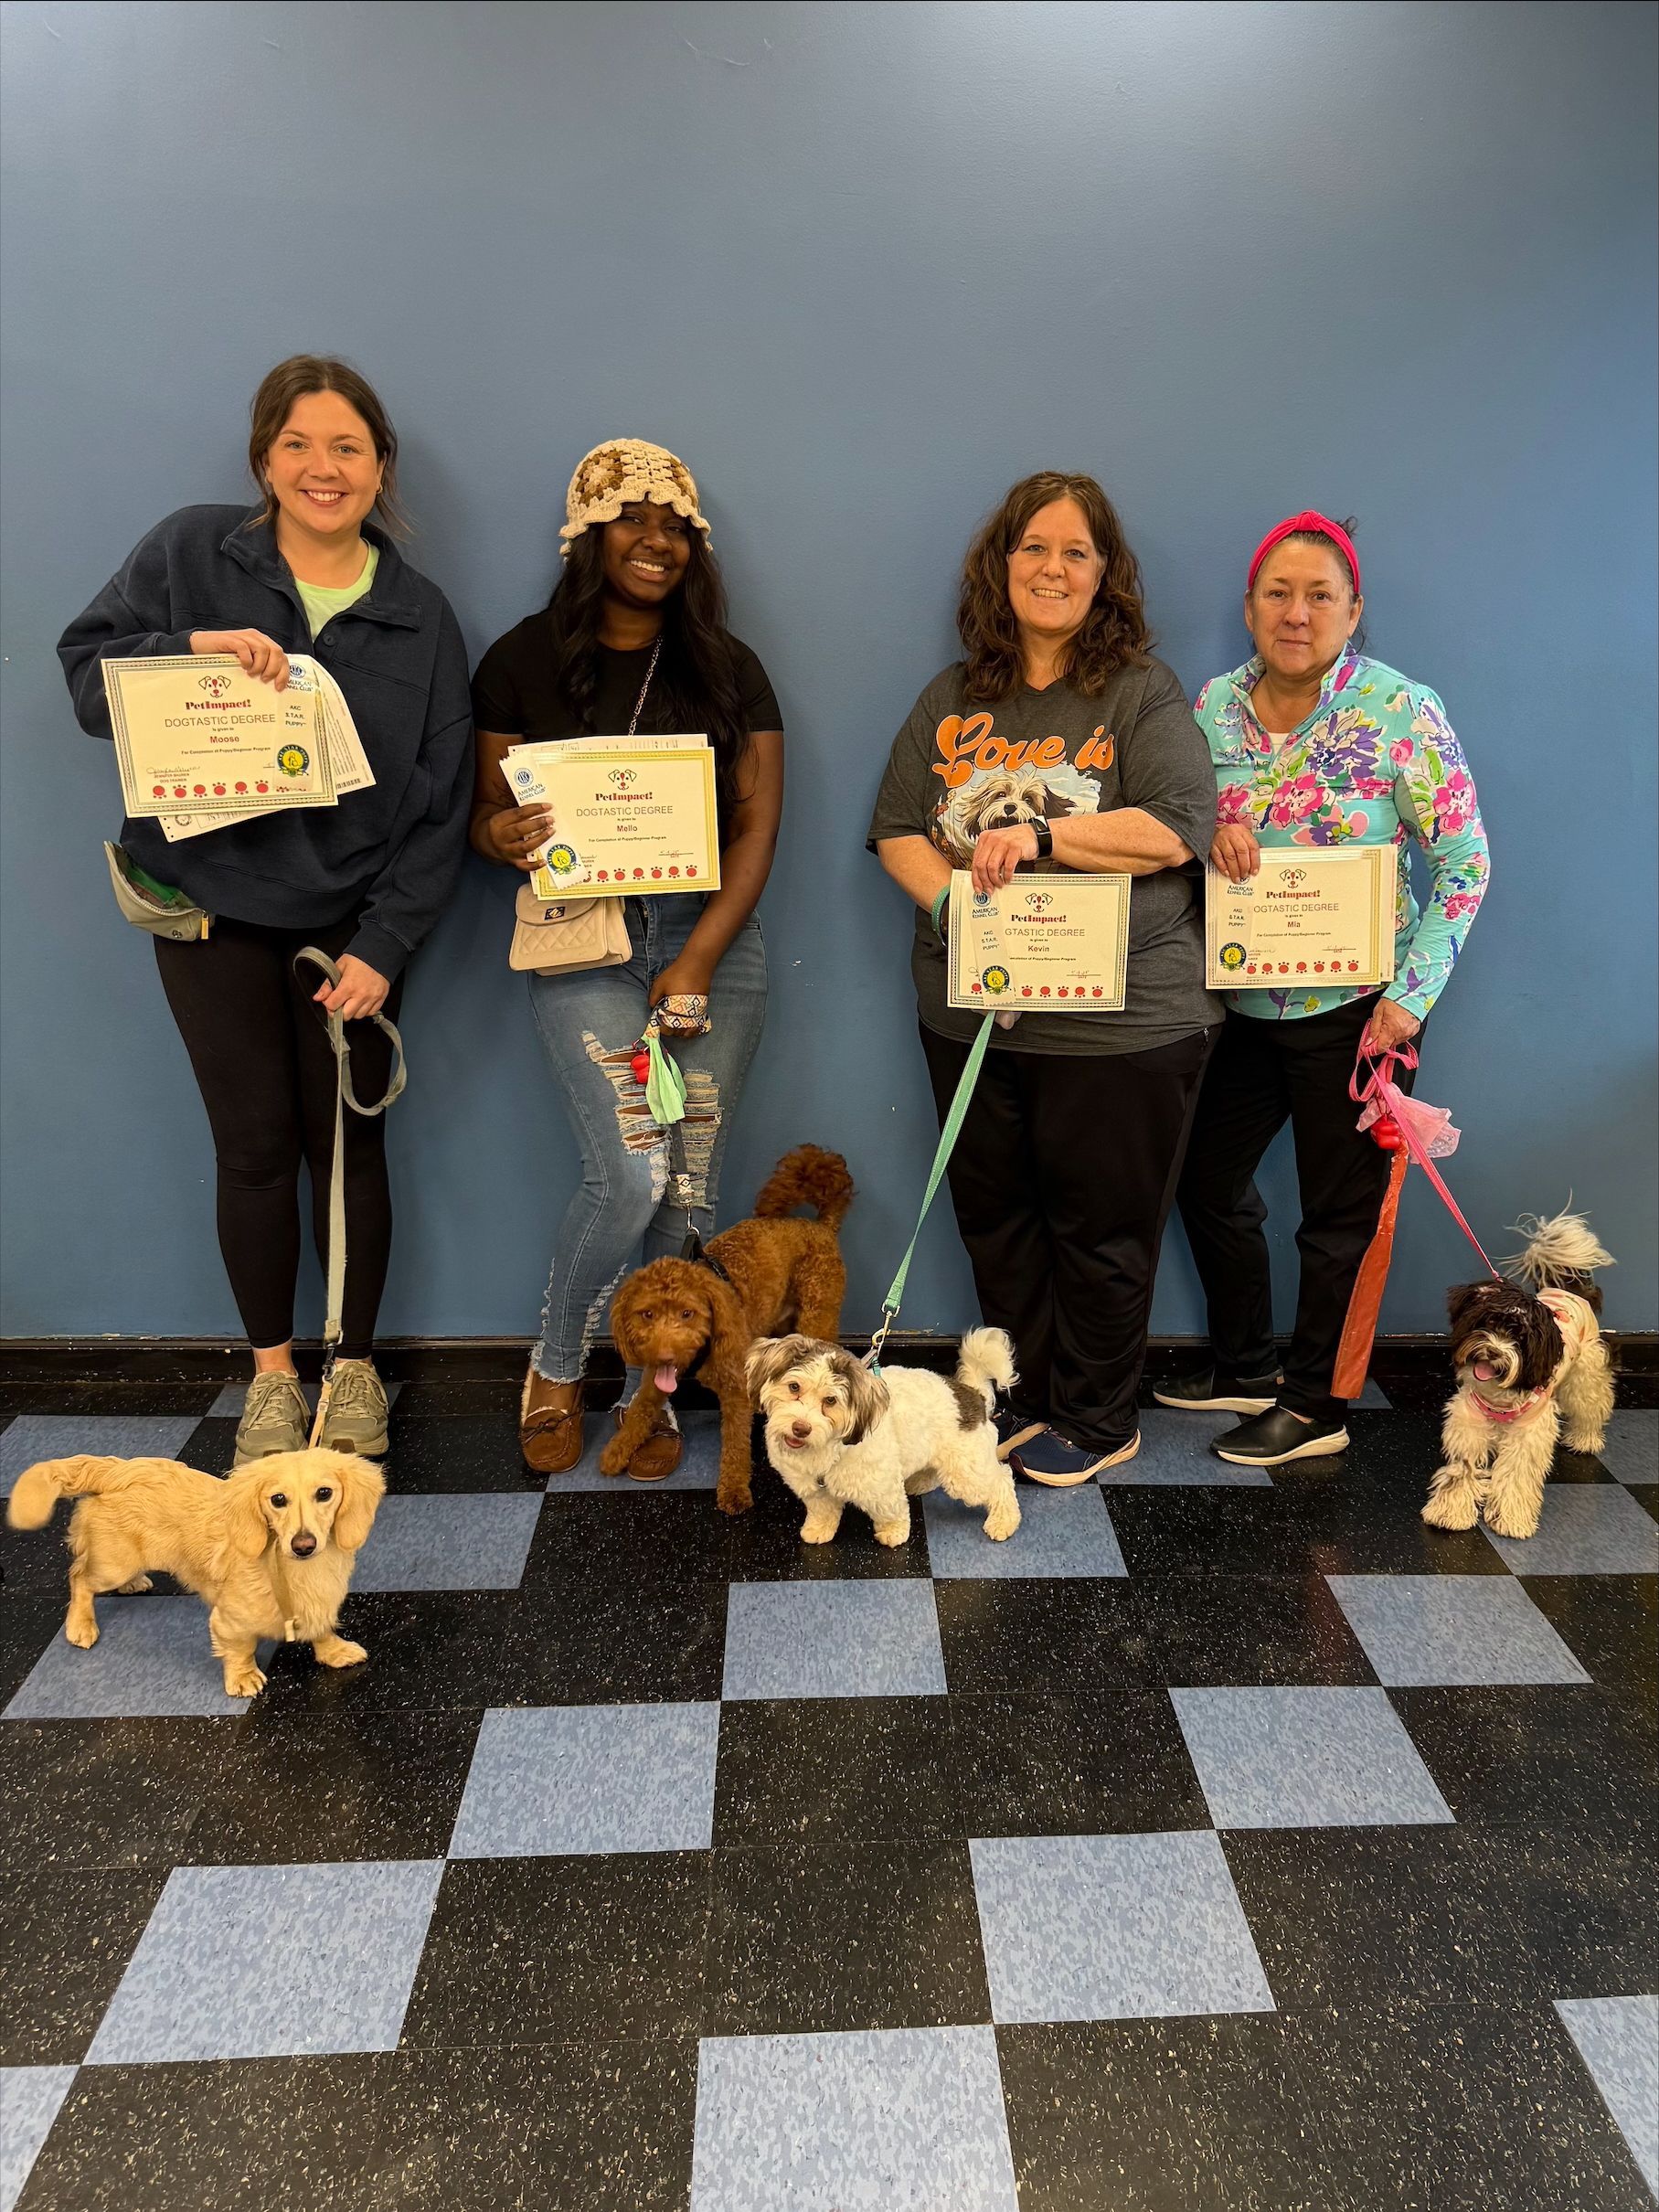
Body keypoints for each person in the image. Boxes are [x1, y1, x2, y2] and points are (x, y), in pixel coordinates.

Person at [58, 356, 473, 1464]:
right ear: (263, 459)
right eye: (299, 445)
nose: (322, 468)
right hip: (210, 916)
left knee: (350, 1150)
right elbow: (86, 678)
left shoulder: (419, 616)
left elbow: (443, 803)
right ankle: (274, 1378)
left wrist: (383, 945)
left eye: (347, 447)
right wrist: (181, 649)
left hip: (351, 928)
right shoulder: (194, 552)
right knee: (250, 1149)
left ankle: (353, 1370)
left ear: (380, 467)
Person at [869, 471, 1219, 1483]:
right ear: (1001, 564)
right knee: (998, 1219)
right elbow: (898, 829)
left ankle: (1102, 1417)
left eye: (1076, 550)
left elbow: (1173, 827)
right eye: (1034, 547)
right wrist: (961, 916)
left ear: (1105, 573)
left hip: (1122, 1026)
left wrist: (1041, 835)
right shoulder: (952, 695)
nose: (1052, 568)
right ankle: (1031, 1396)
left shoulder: (1137, 691)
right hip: (974, 1013)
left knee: (1102, 1228)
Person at [472, 440, 783, 1478]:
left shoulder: (728, 667)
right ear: (587, 533)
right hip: (584, 938)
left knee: (690, 1188)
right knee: (630, 1175)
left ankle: (645, 1405)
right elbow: (486, 817)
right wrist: (498, 837)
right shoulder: (519, 659)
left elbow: (756, 829)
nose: (658, 542)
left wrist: (694, 956)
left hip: (713, 942)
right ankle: (557, 1367)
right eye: (633, 520)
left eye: (677, 527)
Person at [1160, 511, 1490, 1464]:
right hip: (1241, 1003)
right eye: (1278, 593)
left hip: (1361, 1013)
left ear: (1354, 612)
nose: (1296, 613)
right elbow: (1176, 834)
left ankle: (1317, 1406)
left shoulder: (1402, 710)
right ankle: (1244, 1364)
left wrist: (1410, 1000)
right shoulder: (1212, 708)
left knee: (1338, 1218)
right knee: (1204, 1175)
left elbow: (1464, 862)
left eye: (1319, 596)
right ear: (1250, 606)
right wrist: (1204, 842)